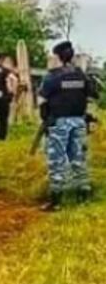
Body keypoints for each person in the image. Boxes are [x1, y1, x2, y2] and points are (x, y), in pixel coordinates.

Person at [38, 41, 99, 212]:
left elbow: (42, 100)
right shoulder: (81, 75)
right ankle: (84, 194)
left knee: (56, 160)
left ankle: (56, 200)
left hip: (59, 122)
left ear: (57, 57)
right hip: (79, 121)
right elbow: (91, 96)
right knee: (79, 158)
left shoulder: (52, 77)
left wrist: (45, 118)